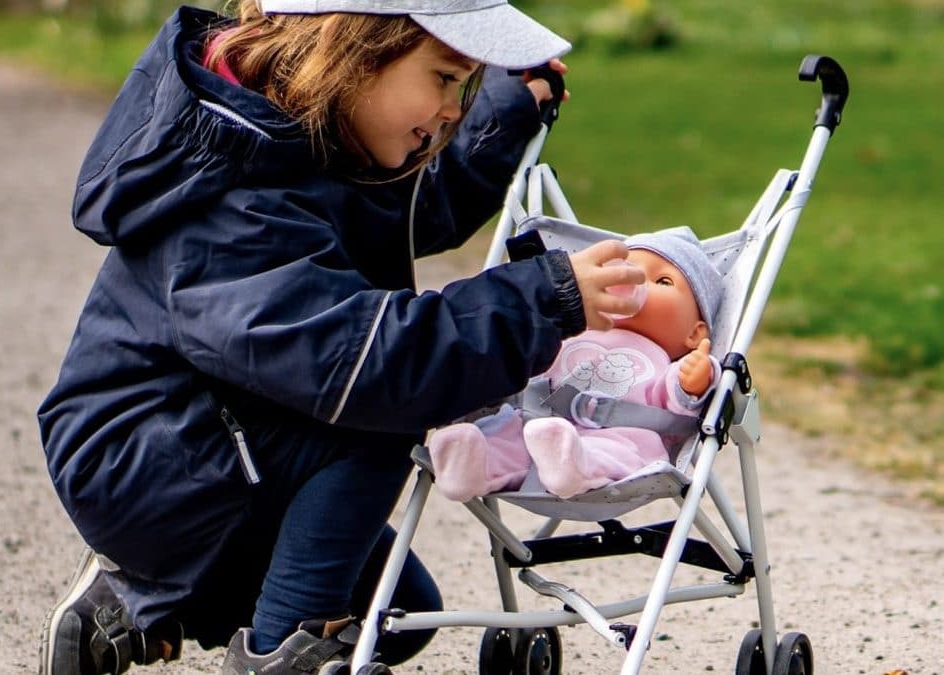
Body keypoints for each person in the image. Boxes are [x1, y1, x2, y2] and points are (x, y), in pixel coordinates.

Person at [36, 1, 649, 674]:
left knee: (396, 613)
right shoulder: (233, 193)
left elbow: (414, 207)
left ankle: (139, 605)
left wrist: (503, 111)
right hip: (145, 460)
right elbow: (362, 363)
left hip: (215, 442)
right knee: (383, 403)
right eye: (446, 79)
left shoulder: (308, 132)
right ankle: (277, 655)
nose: (452, 108)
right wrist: (546, 298)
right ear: (353, 51)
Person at [429, 228, 724, 501]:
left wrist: (694, 379)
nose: (634, 283)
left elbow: (679, 401)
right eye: (626, 271)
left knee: (617, 451)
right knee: (506, 433)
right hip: (536, 420)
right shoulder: (573, 331)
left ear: (694, 333)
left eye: (662, 281)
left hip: (620, 433)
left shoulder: (663, 362)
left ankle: (575, 464)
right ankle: (471, 465)